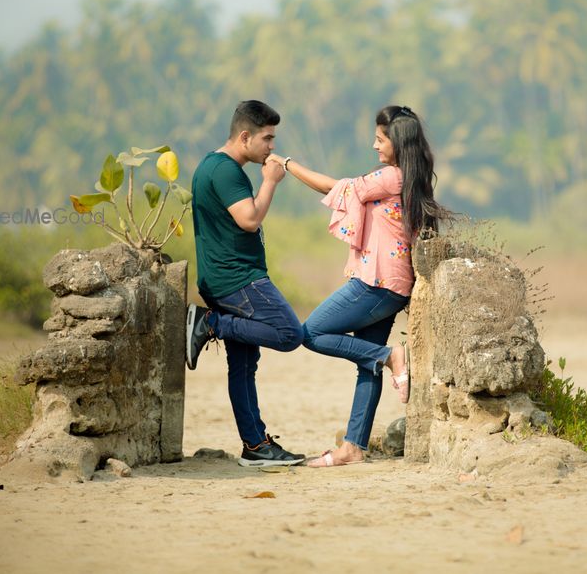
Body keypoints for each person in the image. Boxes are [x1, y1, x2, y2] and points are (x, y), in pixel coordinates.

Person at [269, 104, 448, 467]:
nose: (374, 146)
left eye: (380, 140)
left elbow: (333, 187)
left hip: (376, 282)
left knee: (310, 332)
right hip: (394, 284)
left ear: (397, 143)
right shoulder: (411, 177)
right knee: (365, 363)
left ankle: (390, 357)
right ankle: (353, 447)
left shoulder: (390, 178)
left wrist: (286, 164)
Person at [185, 100, 306, 467]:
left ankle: (255, 445)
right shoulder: (225, 171)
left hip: (225, 277)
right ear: (244, 136)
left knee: (242, 366)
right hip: (238, 279)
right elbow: (250, 219)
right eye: (267, 139)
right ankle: (209, 323)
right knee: (289, 333)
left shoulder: (214, 165)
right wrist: (269, 182)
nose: (271, 147)